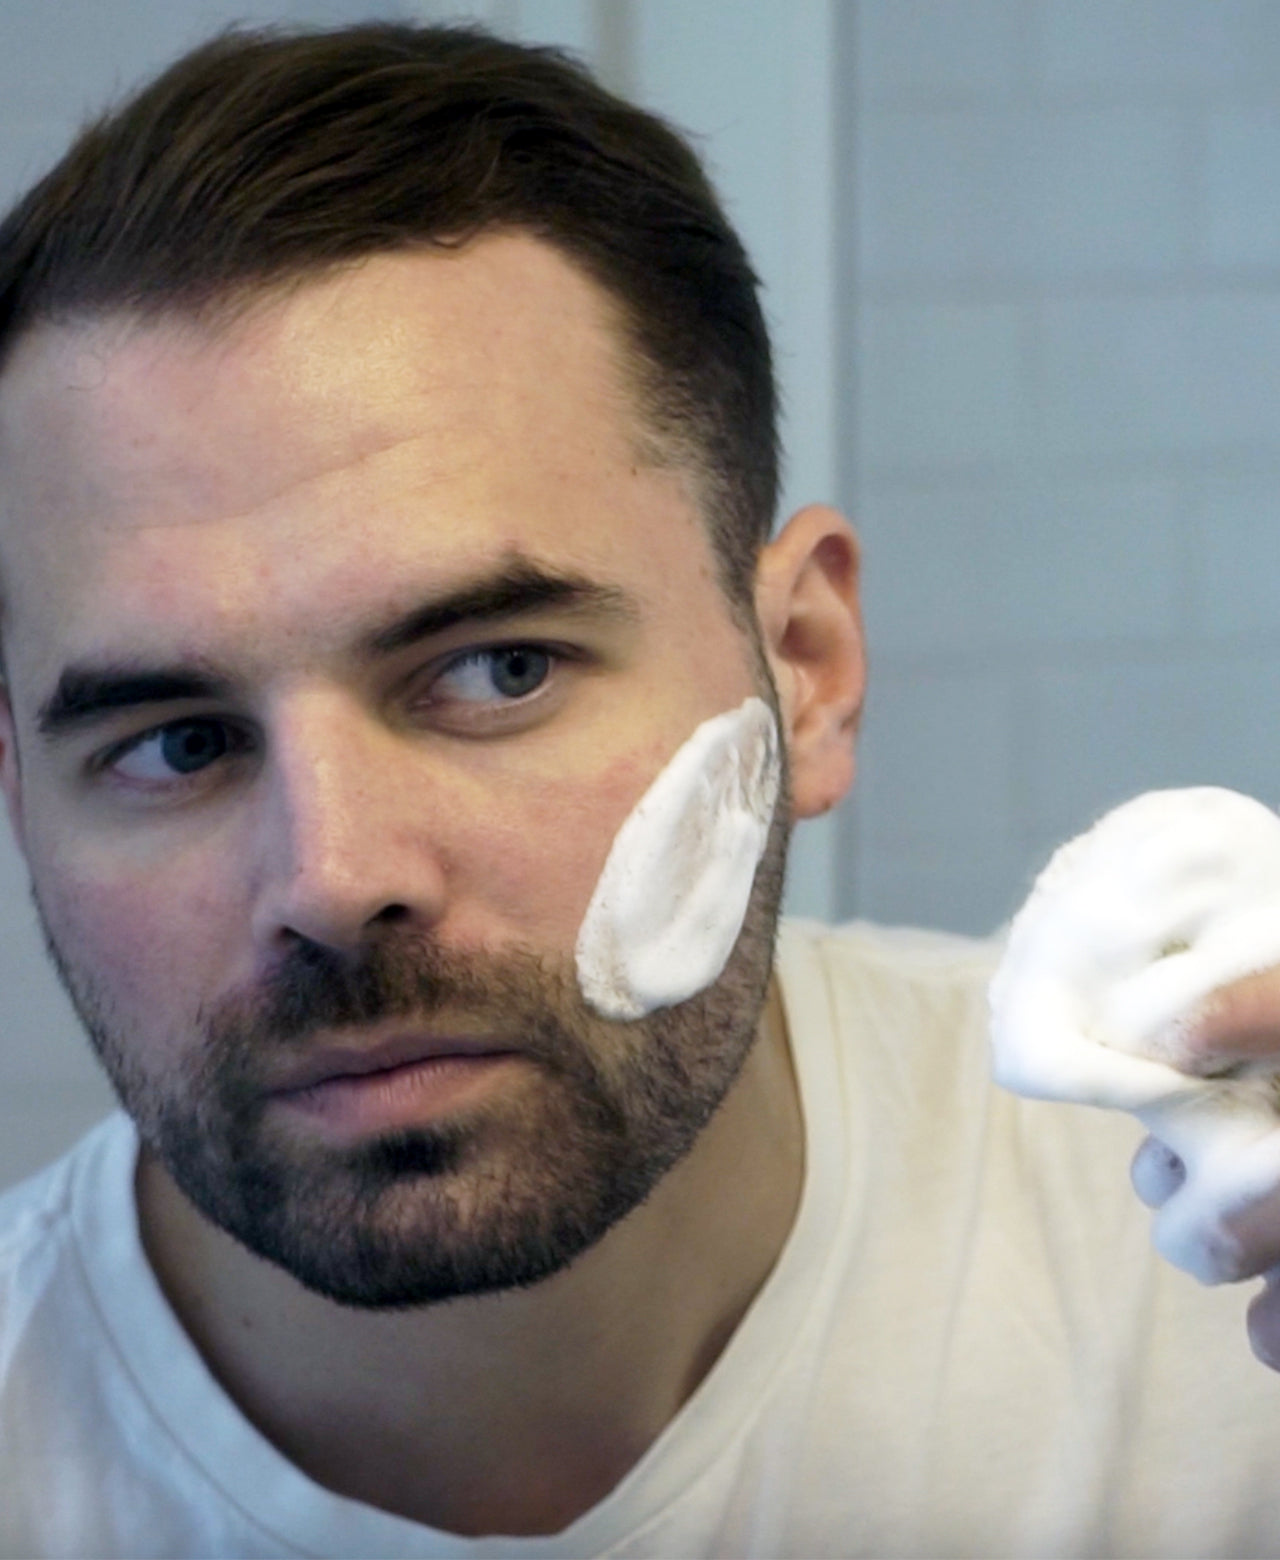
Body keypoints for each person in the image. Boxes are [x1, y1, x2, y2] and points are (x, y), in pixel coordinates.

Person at [1, 20, 1280, 1558]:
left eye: (498, 671)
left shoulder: (1207, 1293)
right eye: (177, 744)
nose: (334, 879)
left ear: (803, 667)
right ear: (20, 797)